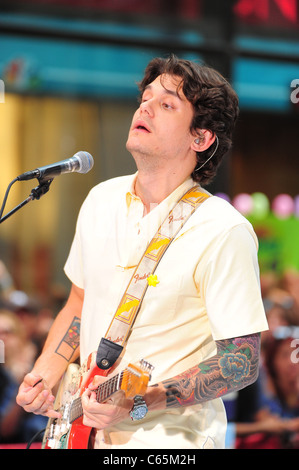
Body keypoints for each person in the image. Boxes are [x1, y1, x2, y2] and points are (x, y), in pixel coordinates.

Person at [16, 55, 268, 449]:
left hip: (169, 442)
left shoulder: (223, 229)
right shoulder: (101, 199)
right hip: (82, 433)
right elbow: (81, 301)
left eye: (167, 104)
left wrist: (140, 402)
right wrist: (47, 368)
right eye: (146, 97)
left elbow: (241, 362)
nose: (145, 106)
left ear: (200, 139)